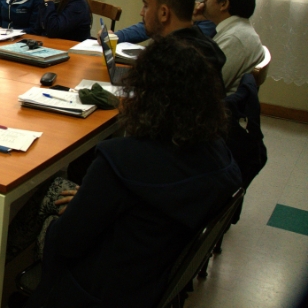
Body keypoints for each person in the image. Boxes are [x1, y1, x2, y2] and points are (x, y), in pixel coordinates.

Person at [21, 37, 242, 308]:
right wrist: (94, 199)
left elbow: (66, 244)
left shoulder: (121, 160)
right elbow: (149, 202)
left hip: (98, 288)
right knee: (62, 191)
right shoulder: (219, 156)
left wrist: (87, 205)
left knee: (47, 201)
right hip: (151, 275)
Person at [139, 0, 226, 76]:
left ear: (164, 13)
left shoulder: (164, 59)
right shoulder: (210, 48)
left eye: (146, 6)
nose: (142, 12)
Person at [196, 0, 266, 94]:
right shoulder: (237, 29)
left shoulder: (235, 38)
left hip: (215, 110)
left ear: (224, 4)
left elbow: (202, 89)